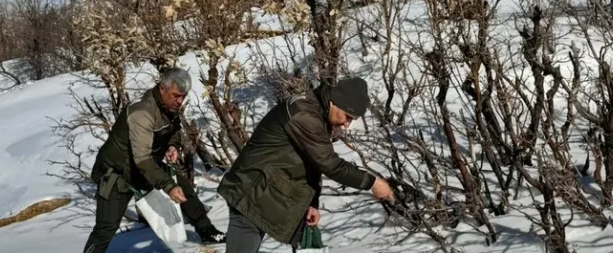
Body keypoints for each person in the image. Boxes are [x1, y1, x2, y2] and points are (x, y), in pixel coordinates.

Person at [217, 77, 395, 253]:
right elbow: (329, 164)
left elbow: (313, 163)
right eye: (348, 116)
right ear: (336, 102)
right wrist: (372, 183)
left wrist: (312, 204)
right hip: (251, 190)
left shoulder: (317, 112)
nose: (347, 124)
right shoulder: (304, 114)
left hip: (265, 190)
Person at [83, 67, 226, 253]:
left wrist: (172, 145)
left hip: (145, 167)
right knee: (106, 227)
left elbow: (174, 130)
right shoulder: (142, 113)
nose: (180, 101)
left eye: (183, 96)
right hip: (117, 173)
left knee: (184, 189)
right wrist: (168, 186)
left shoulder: (169, 106)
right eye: (176, 95)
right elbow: (142, 159)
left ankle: (208, 232)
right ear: (162, 88)